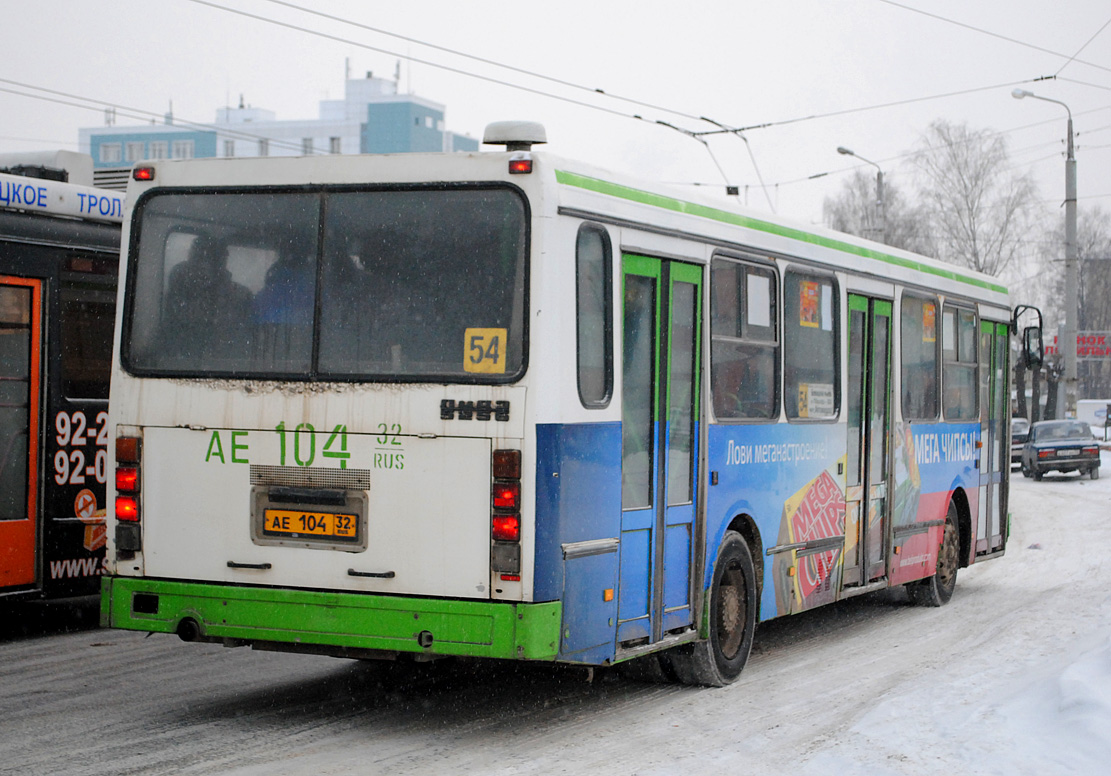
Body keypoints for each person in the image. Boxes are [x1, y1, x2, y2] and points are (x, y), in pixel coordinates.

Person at [162, 234, 254, 363]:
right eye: (198, 258)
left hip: (224, 363)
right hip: (183, 358)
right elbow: (178, 320)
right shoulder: (181, 280)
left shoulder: (241, 296)